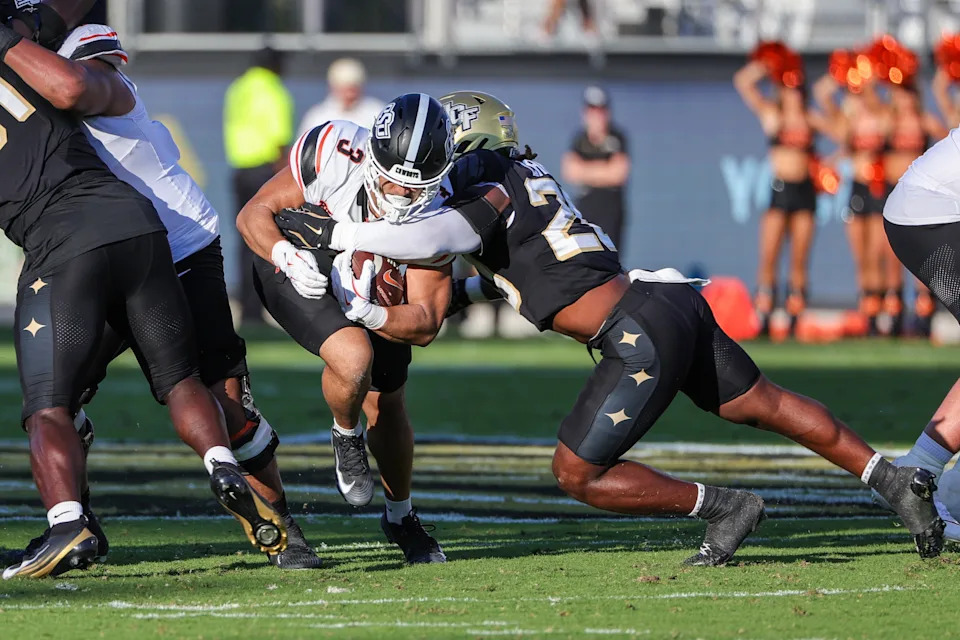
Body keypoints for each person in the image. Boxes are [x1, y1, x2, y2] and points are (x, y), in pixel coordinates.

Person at [280, 90, 946, 565]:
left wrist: (342, 233)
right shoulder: (528, 177)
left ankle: (726, 507)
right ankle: (893, 481)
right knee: (765, 402)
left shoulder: (486, 182)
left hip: (636, 332)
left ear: (472, 145)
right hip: (664, 300)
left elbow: (451, 230)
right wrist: (458, 291)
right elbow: (523, 274)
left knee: (577, 474)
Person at [0, 20, 321, 569]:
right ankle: (82, 524)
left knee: (224, 400)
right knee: (61, 397)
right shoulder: (38, 95)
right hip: (123, 248)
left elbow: (73, 87)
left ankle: (282, 528)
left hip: (179, 249)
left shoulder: (96, 83)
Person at [236, 94, 457, 564]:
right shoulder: (335, 150)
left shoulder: (442, 214)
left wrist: (370, 312)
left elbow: (426, 321)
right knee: (354, 356)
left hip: (375, 286)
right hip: (300, 266)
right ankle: (345, 433)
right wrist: (284, 254)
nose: (399, 196)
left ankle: (400, 515)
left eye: (413, 189)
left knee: (389, 399)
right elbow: (253, 213)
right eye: (392, 181)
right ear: (371, 156)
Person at [734, 55, 821, 337]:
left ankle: (795, 320)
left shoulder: (810, 118)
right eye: (788, 86)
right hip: (780, 190)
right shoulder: (774, 115)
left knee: (799, 259)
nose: (793, 92)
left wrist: (830, 161)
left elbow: (845, 132)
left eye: (797, 87)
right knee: (769, 257)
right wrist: (770, 62)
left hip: (805, 190)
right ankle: (765, 317)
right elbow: (743, 82)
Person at [815, 60, 890, 335]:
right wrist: (843, 70)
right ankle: (869, 313)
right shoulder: (850, 116)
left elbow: (884, 119)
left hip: (880, 188)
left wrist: (869, 74)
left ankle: (885, 313)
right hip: (858, 188)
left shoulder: (881, 113)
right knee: (862, 256)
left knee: (877, 253)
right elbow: (822, 93)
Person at [224, 47, 293, 325]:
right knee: (269, 238)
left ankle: (250, 309)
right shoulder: (272, 90)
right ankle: (267, 305)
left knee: (246, 240)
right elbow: (279, 138)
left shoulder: (238, 88)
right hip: (265, 171)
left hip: (240, 168)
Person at [882, 80, 946, 336]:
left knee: (920, 255)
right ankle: (893, 315)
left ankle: (924, 315)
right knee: (890, 257)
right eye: (899, 93)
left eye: (908, 93)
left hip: (918, 197)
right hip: (889, 194)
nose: (904, 99)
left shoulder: (925, 120)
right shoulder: (888, 121)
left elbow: (948, 145)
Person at [562, 86, 630, 252]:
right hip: (585, 209)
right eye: (592, 110)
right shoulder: (579, 140)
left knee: (611, 258)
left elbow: (618, 174)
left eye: (600, 110)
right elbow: (570, 171)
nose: (596, 116)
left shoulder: (617, 138)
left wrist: (585, 170)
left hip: (611, 212)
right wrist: (603, 170)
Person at [297, 57, 383, 136]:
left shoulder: (377, 113)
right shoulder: (317, 117)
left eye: (353, 88)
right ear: (333, 87)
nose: (349, 95)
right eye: (344, 88)